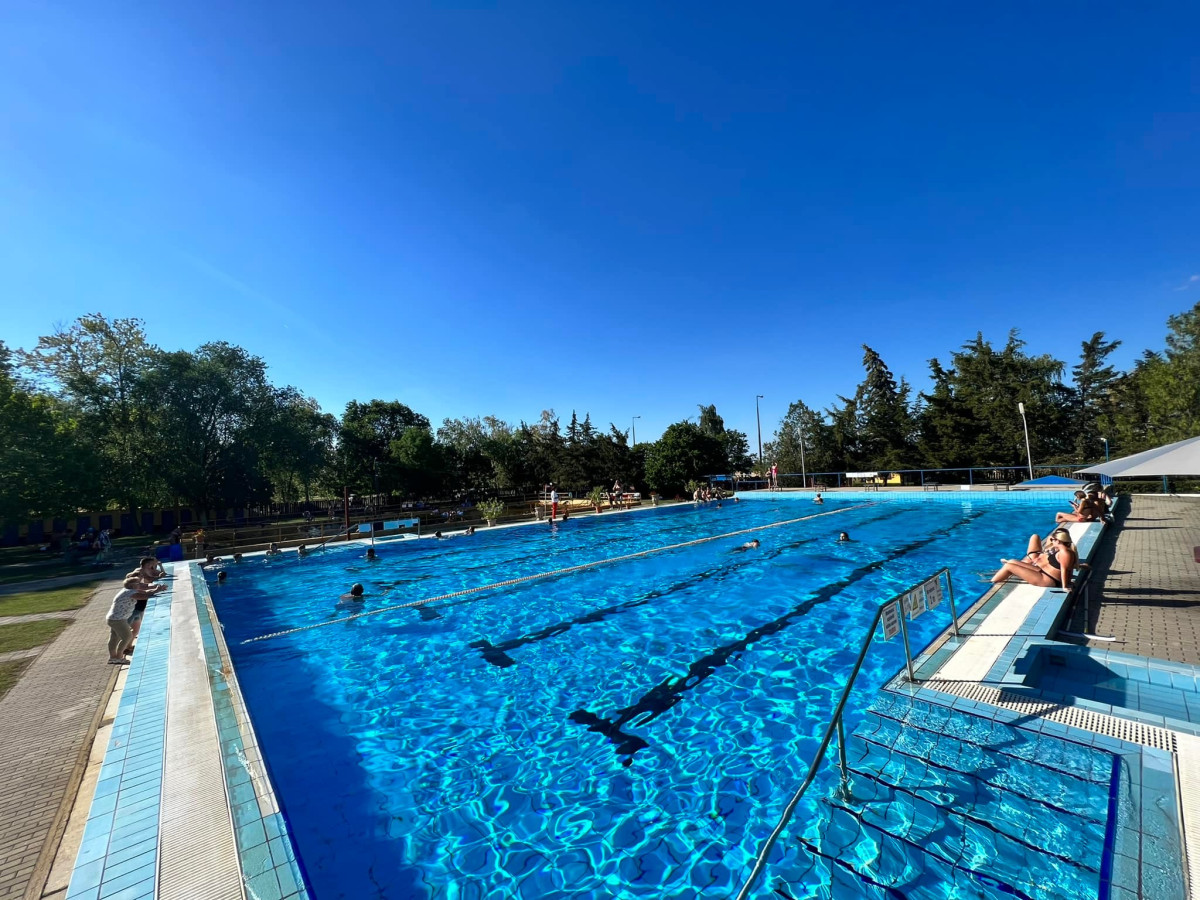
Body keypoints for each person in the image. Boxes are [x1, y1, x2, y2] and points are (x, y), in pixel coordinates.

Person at [991, 529, 1077, 589]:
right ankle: (1000, 576)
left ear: (1058, 541)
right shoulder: (1063, 551)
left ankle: (992, 582)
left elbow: (1065, 570)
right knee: (1012, 561)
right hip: (1044, 573)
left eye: (1053, 540)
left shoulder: (1065, 553)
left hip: (1048, 579)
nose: (1051, 541)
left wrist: (1065, 586)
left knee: (1008, 566)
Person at [105, 577, 148, 665]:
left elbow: (145, 592)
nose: (140, 584)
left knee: (114, 637)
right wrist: (155, 591)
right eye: (138, 583)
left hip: (113, 618)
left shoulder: (126, 590)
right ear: (132, 585)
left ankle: (113, 658)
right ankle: (119, 656)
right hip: (118, 619)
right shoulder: (130, 592)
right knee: (127, 636)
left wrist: (155, 590)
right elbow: (144, 597)